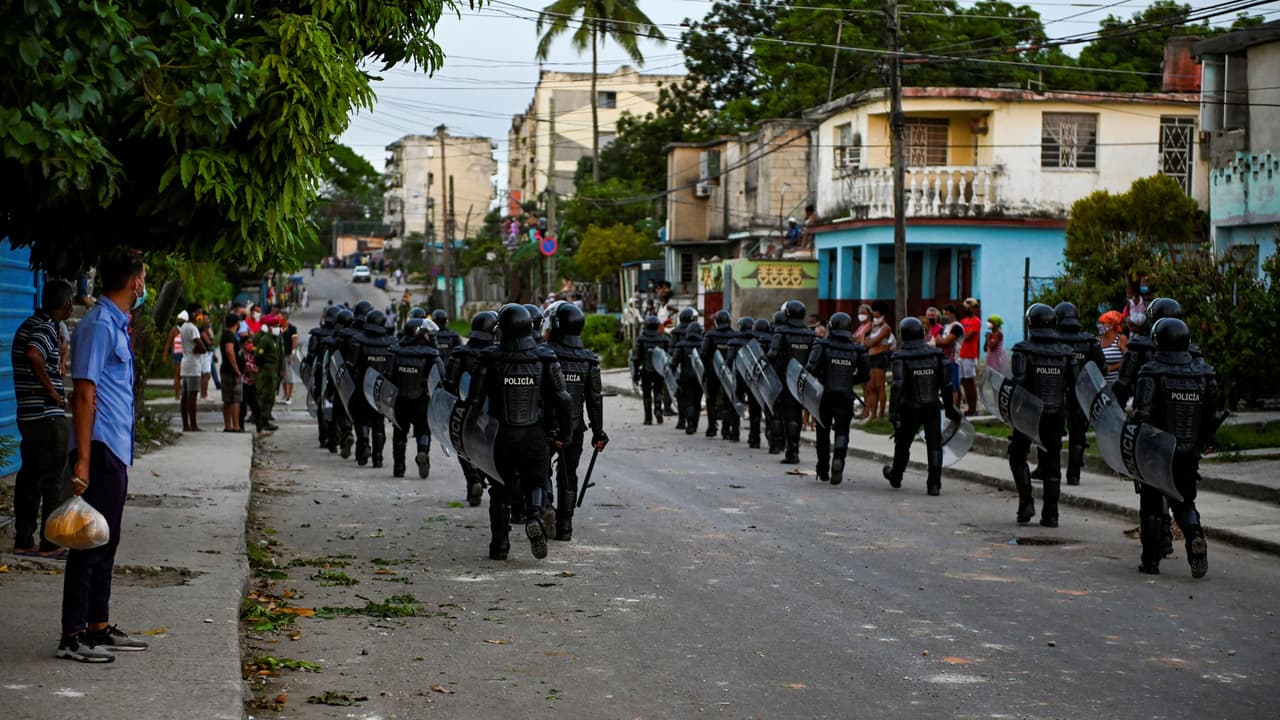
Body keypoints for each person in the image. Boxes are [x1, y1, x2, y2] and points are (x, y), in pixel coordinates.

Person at [60, 247, 151, 663]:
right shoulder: (98, 325)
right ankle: (73, 635)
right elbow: (83, 393)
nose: (145, 284)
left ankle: (98, 625)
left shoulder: (115, 323)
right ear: (135, 281)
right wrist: (81, 459)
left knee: (106, 538)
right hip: (97, 446)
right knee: (88, 542)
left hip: (113, 446)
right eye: (144, 277)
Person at [466, 304, 571, 560]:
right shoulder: (545, 357)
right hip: (534, 434)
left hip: (499, 435)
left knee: (499, 489)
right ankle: (534, 515)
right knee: (536, 480)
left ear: (501, 328)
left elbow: (474, 401)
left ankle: (499, 545)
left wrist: (468, 433)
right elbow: (563, 399)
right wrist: (565, 433)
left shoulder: (489, 358)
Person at [1132, 318, 1218, 578]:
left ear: (1156, 340)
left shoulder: (1151, 371)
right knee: (1185, 501)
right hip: (1188, 452)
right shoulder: (1204, 373)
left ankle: (1151, 560)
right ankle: (1194, 537)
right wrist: (1205, 441)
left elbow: (1142, 413)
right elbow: (1211, 415)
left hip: (1155, 450)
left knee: (1151, 503)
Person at [11, 279, 75, 558]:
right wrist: (53, 392)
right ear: (67, 305)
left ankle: (24, 540)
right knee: (54, 480)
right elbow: (33, 354)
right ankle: (51, 543)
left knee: (30, 477)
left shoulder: (30, 324)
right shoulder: (46, 327)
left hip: (29, 415)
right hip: (46, 415)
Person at [1007, 304, 1076, 527]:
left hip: (1028, 414)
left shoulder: (1023, 350)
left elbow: (1017, 382)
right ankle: (1051, 514)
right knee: (1052, 462)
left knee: (1017, 456)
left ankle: (1026, 502)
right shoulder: (1066, 353)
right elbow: (1075, 385)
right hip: (1055, 415)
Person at [545, 303, 609, 541]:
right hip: (574, 427)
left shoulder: (545, 354)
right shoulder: (589, 360)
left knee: (540, 471)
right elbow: (595, 399)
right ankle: (565, 526)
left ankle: (546, 507)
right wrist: (598, 431)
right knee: (569, 474)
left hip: (546, 426)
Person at [883, 316, 960, 496]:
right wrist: (950, 409)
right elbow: (946, 385)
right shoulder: (936, 355)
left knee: (903, 443)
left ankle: (896, 476)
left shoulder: (900, 356)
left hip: (909, 407)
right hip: (932, 406)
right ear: (922, 333)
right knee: (934, 444)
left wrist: (893, 411)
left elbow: (897, 385)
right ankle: (934, 484)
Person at [806, 312, 869, 485]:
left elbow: (810, 368)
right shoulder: (857, 350)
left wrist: (821, 376)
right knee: (842, 431)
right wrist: (849, 380)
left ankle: (823, 468)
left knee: (822, 432)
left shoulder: (821, 345)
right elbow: (865, 375)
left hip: (824, 395)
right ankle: (839, 459)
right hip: (845, 396)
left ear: (831, 327)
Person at [445, 310, 499, 506]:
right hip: (492, 413)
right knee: (488, 449)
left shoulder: (460, 353)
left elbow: (449, 384)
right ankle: (483, 479)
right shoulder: (498, 355)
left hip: (464, 410)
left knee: (463, 446)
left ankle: (473, 480)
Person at [1052, 302, 1106, 486]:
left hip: (1057, 392)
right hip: (1082, 394)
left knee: (1052, 432)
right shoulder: (1089, 341)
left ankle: (1050, 470)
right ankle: (1074, 475)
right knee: (1078, 434)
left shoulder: (1054, 340)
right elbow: (1102, 367)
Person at [389, 318, 443, 479]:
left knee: (399, 433)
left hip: (400, 400)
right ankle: (422, 451)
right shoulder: (430, 354)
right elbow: (441, 375)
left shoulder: (396, 351)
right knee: (423, 430)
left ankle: (399, 468)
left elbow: (388, 375)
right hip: (421, 399)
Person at [768, 300, 817, 465]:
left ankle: (787, 449)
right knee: (796, 415)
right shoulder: (811, 334)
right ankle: (794, 450)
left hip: (783, 379)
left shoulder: (781, 332)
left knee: (782, 413)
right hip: (802, 381)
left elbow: (772, 354)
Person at [352, 309, 395, 468]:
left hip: (361, 389)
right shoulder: (390, 344)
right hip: (381, 390)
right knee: (378, 422)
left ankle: (364, 445)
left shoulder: (358, 341)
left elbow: (351, 366)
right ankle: (378, 457)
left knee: (361, 419)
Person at [306, 305, 341, 449]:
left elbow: (310, 355)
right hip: (336, 375)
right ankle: (335, 436)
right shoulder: (340, 335)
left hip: (320, 374)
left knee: (322, 404)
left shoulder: (317, 334)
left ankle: (323, 437)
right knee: (337, 405)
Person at [700, 310, 736, 440]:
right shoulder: (734, 335)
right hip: (729, 373)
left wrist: (707, 367)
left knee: (711, 400)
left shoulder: (710, 334)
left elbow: (703, 353)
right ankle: (726, 430)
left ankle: (712, 428)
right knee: (728, 400)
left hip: (712, 372)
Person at [631, 314, 670, 425]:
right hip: (659, 370)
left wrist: (635, 373)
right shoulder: (664, 339)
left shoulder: (641, 339)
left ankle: (648, 418)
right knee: (658, 391)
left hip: (646, 371)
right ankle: (658, 409)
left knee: (647, 393)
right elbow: (668, 356)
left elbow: (637, 358)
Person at [724, 317, 757, 445]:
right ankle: (755, 437)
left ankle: (735, 433)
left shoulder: (734, 342)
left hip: (739, 377)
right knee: (754, 407)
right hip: (753, 378)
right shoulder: (757, 341)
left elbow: (729, 360)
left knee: (737, 404)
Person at [671, 321, 705, 435]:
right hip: (700, 378)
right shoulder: (703, 344)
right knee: (697, 401)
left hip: (685, 378)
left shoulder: (681, 345)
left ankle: (689, 423)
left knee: (688, 400)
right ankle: (694, 424)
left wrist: (671, 376)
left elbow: (674, 362)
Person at [251, 318, 283, 434]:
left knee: (271, 396)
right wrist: (262, 367)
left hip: (274, 371)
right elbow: (257, 357)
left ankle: (265, 418)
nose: (277, 328)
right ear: (270, 327)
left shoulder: (276, 339)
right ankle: (262, 420)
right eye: (275, 326)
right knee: (264, 396)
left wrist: (281, 370)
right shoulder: (265, 340)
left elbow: (280, 355)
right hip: (267, 371)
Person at [861, 301, 892, 421]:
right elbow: (865, 342)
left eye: (876, 313)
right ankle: (873, 415)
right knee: (871, 387)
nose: (874, 315)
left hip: (880, 358)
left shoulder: (886, 328)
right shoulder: (873, 327)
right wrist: (868, 341)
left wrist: (869, 342)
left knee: (880, 386)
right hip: (871, 358)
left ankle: (881, 415)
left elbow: (872, 342)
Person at [669, 308, 697, 429]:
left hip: (681, 370)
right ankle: (693, 422)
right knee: (695, 397)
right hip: (696, 371)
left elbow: (671, 351)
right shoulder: (698, 332)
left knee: (681, 396)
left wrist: (671, 370)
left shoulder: (676, 333)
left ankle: (682, 420)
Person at [178, 307, 204, 432]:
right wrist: (201, 347)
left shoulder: (183, 326)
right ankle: (193, 424)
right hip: (193, 365)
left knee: (185, 397)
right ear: (193, 314)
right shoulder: (193, 328)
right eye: (199, 313)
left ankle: (185, 425)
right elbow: (202, 347)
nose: (201, 316)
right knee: (192, 396)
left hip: (185, 364)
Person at [935, 305, 965, 407]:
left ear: (953, 314)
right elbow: (938, 339)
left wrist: (942, 341)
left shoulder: (957, 327)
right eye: (943, 314)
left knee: (954, 387)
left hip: (954, 360)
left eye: (946, 314)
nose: (944, 316)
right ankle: (954, 407)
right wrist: (942, 341)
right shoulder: (944, 327)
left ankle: (954, 409)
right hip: (944, 359)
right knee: (947, 385)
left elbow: (946, 342)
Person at [219, 312, 244, 433]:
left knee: (228, 399)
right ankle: (235, 426)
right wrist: (236, 369)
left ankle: (228, 426)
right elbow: (229, 352)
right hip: (231, 372)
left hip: (227, 370)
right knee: (235, 399)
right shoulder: (229, 336)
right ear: (236, 323)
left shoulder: (227, 334)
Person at [959, 298, 982, 415]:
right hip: (961, 354)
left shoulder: (976, 321)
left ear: (973, 308)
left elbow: (968, 336)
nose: (966, 309)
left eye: (967, 307)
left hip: (970, 355)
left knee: (970, 382)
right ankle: (969, 407)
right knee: (964, 382)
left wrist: (957, 336)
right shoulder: (963, 321)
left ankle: (973, 408)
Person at [1098, 310, 1126, 387]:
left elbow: (1128, 361)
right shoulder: (1098, 341)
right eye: (1099, 323)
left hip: (1117, 386)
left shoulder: (1120, 339)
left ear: (1111, 325)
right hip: (1102, 386)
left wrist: (1111, 368)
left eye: (1103, 323)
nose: (1100, 326)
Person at [279, 311, 299, 405]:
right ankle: (285, 395)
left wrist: (292, 354)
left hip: (288, 354)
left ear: (285, 318)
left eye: (281, 317)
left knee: (289, 376)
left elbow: (294, 342)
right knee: (283, 376)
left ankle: (289, 397)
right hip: (280, 355)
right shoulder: (278, 328)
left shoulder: (292, 328)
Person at [165, 314, 183, 400]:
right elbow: (168, 342)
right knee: (177, 374)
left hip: (185, 354)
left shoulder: (186, 329)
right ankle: (177, 394)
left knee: (183, 375)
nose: (180, 320)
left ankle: (182, 393)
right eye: (179, 319)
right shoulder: (174, 330)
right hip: (176, 354)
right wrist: (165, 355)